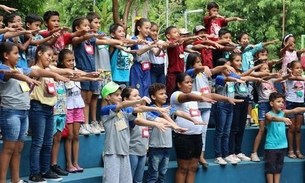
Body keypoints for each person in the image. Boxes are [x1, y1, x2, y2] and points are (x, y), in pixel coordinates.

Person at [0, 42, 53, 183]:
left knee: (18, 148)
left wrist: (58, 74)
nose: (18, 56)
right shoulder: (2, 68)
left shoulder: (20, 68)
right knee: (9, 148)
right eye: (15, 53)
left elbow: (37, 72)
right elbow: (11, 74)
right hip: (10, 112)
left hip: (24, 112)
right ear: (6, 55)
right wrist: (27, 78)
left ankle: (16, 179)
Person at [100, 81, 168, 183]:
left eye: (120, 95)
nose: (119, 97)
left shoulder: (124, 112)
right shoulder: (106, 110)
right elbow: (123, 104)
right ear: (107, 97)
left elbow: (139, 109)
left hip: (125, 152)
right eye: (116, 95)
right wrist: (139, 100)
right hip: (112, 153)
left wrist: (157, 109)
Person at [185, 53, 243, 167]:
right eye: (197, 62)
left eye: (201, 62)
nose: (200, 64)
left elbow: (214, 70)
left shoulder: (205, 74)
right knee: (193, 132)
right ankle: (191, 157)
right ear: (191, 64)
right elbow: (196, 70)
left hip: (206, 105)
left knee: (203, 132)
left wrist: (225, 67)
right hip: (195, 106)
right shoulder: (189, 74)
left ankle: (201, 156)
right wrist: (203, 67)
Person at [72, 17, 123, 135]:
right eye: (85, 26)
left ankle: (90, 123)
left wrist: (121, 41)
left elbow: (107, 41)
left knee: (89, 100)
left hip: (93, 71)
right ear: (77, 28)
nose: (88, 28)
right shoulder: (76, 39)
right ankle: (83, 124)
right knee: (83, 99)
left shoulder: (91, 41)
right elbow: (84, 37)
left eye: (88, 26)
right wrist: (94, 35)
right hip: (83, 72)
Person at [28, 45, 71, 183]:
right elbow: (50, 73)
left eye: (52, 56)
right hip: (37, 108)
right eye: (48, 55)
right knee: (38, 142)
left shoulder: (50, 69)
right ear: (39, 53)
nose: (50, 58)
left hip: (49, 109)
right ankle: (34, 173)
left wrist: (87, 75)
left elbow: (64, 71)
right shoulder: (34, 69)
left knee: (48, 142)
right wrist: (56, 75)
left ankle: (45, 170)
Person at [147, 83, 203, 183]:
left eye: (165, 93)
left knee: (162, 174)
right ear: (153, 97)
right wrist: (176, 126)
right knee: (153, 176)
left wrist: (193, 120)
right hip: (155, 147)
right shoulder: (151, 110)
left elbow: (179, 112)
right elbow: (163, 118)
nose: (165, 95)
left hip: (167, 146)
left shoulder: (167, 108)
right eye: (161, 94)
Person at [170, 72, 217, 183]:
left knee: (192, 168)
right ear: (179, 84)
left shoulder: (195, 94)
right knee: (183, 168)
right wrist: (203, 98)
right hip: (183, 137)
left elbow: (211, 95)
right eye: (187, 82)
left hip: (197, 136)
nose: (190, 84)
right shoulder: (176, 95)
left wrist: (227, 99)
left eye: (191, 82)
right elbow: (187, 97)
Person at [250, 60, 289, 162]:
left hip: (272, 106)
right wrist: (271, 74)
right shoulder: (259, 80)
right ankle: (254, 152)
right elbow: (262, 77)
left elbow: (281, 78)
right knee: (262, 130)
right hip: (263, 105)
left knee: (271, 129)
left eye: (268, 68)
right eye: (264, 69)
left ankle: (269, 152)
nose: (267, 70)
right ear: (259, 70)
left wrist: (287, 74)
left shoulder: (271, 80)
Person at [228, 53, 264, 162]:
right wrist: (254, 69)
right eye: (237, 61)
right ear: (231, 62)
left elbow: (246, 76)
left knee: (241, 127)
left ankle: (238, 151)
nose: (239, 63)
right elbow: (243, 76)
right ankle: (231, 152)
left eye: (240, 61)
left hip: (245, 99)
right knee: (234, 127)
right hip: (236, 100)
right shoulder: (230, 71)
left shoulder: (241, 71)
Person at [264, 92, 305, 183]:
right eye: (278, 101)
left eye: (282, 102)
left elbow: (296, 110)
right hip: (271, 146)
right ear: (271, 103)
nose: (281, 104)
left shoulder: (283, 112)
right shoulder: (268, 114)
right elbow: (271, 118)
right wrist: (283, 119)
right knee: (270, 168)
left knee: (279, 167)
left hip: (282, 145)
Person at [130, 18, 158, 97]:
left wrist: (160, 48)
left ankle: (145, 107)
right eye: (146, 28)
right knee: (137, 89)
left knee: (146, 88)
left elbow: (155, 53)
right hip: (137, 67)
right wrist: (150, 46)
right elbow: (138, 52)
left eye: (149, 28)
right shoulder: (134, 39)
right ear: (139, 28)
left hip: (147, 68)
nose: (148, 30)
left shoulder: (149, 39)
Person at [284, 61, 305, 159]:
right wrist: (290, 73)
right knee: (291, 128)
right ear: (291, 69)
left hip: (300, 103)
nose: (299, 70)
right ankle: (290, 150)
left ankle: (298, 150)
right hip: (291, 103)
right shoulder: (289, 77)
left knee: (298, 128)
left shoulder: (303, 78)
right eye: (297, 68)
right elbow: (291, 77)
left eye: (300, 68)